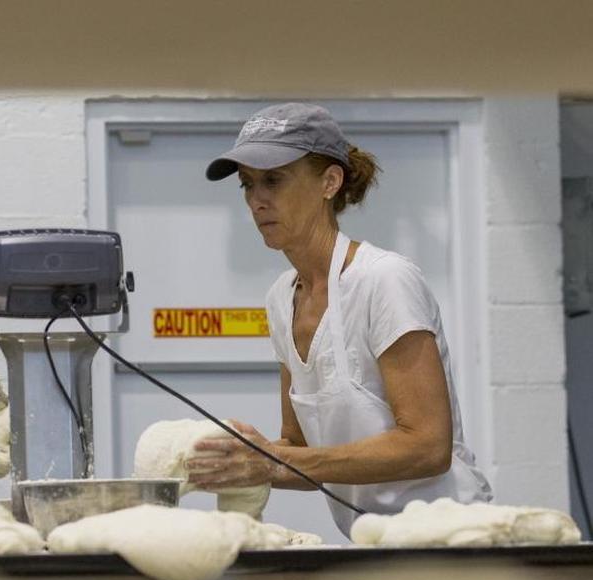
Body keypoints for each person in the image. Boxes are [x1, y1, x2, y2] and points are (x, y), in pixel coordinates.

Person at [189, 102, 491, 536]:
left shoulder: (383, 280)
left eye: (273, 180)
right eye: (247, 185)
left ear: (329, 182)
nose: (257, 200)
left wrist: (277, 462)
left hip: (452, 540)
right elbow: (299, 450)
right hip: (373, 542)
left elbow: (428, 446)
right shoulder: (281, 298)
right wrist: (241, 459)